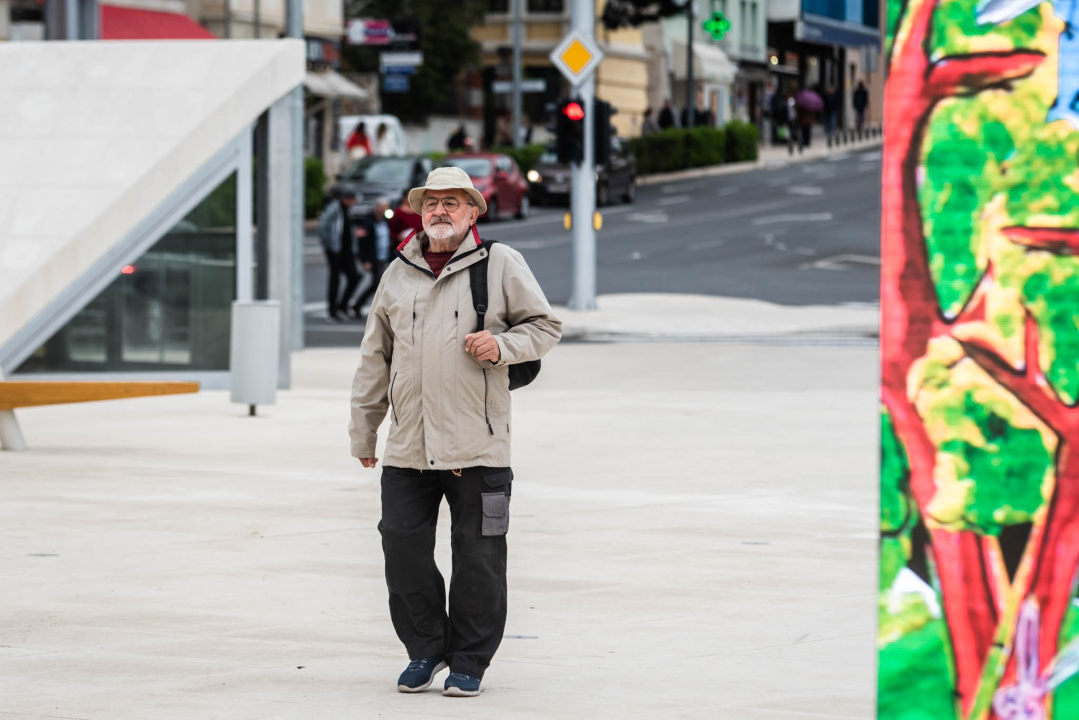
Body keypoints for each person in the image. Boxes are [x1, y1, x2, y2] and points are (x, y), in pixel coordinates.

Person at [349, 166, 562, 698]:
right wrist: (364, 433)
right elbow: (375, 357)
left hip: (479, 447)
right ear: (420, 213)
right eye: (431, 203)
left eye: (451, 202)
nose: (439, 211)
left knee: (479, 560)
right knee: (401, 549)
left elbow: (544, 326)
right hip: (408, 448)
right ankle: (424, 650)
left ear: (471, 212)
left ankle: (469, 660)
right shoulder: (397, 272)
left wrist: (502, 346)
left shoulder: (499, 263)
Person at [317, 188, 362, 321]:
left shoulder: (348, 210)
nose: (354, 202)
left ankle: (342, 306)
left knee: (355, 276)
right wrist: (330, 247)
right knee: (335, 279)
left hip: (347, 250)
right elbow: (322, 228)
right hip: (335, 250)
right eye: (352, 199)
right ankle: (332, 311)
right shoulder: (334, 209)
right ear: (345, 199)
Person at [353, 197, 393, 315]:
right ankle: (358, 304)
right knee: (377, 283)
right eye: (383, 207)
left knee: (381, 283)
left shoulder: (385, 220)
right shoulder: (366, 222)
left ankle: (363, 305)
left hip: (384, 256)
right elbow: (362, 244)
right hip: (373, 258)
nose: (385, 210)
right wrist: (365, 260)